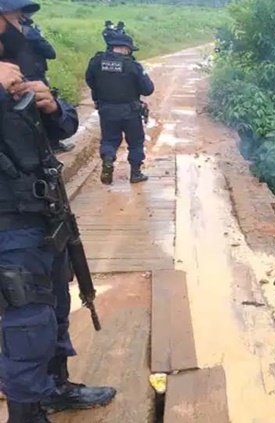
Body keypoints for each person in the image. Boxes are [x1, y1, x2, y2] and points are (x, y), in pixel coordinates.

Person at [0, 0, 117, 421]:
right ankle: (26, 415)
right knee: (26, 324)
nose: (21, 24)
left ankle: (57, 387)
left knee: (52, 312)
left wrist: (50, 105)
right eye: (13, 17)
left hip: (44, 215)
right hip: (7, 227)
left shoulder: (18, 64)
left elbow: (66, 127)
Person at [85, 26, 154, 185]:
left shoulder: (96, 61)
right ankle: (135, 173)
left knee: (109, 140)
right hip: (130, 111)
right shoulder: (133, 65)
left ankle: (108, 160)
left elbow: (90, 80)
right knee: (135, 141)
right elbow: (148, 89)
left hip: (107, 110)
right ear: (125, 48)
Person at [18, 15, 74, 154]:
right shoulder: (30, 33)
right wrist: (38, 36)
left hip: (14, 79)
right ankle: (52, 145)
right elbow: (50, 53)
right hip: (33, 78)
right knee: (46, 110)